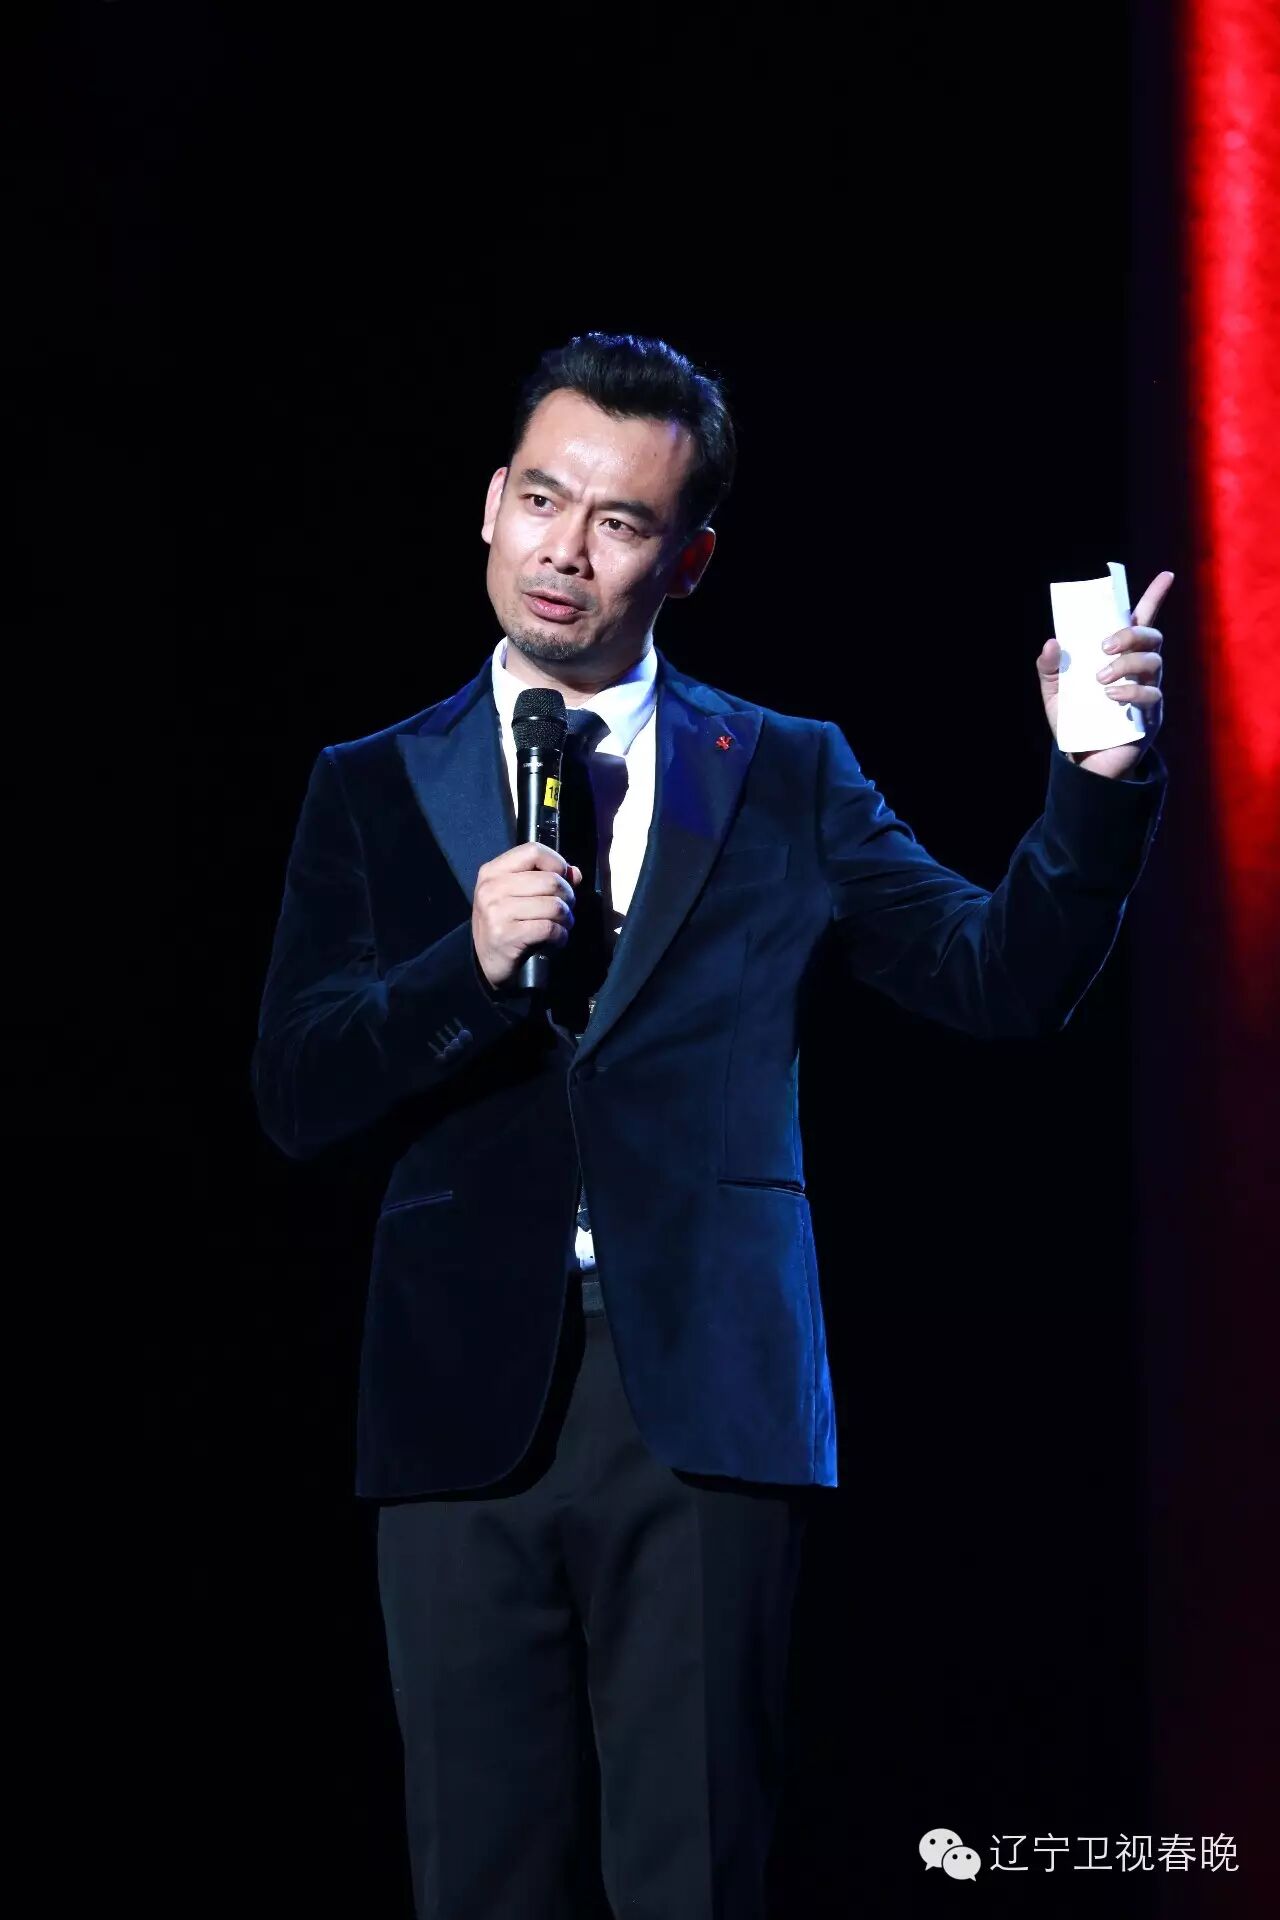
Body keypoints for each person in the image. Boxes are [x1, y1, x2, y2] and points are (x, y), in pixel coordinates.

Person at [251, 332, 1171, 1919]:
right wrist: (463, 967)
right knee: (480, 1882)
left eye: (619, 521)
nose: (565, 549)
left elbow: (997, 979)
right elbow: (295, 1091)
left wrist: (1094, 780)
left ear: (687, 561)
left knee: (697, 1878)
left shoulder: (785, 772)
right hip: (458, 1404)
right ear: (491, 502)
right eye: (544, 499)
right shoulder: (371, 781)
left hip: (706, 1403)